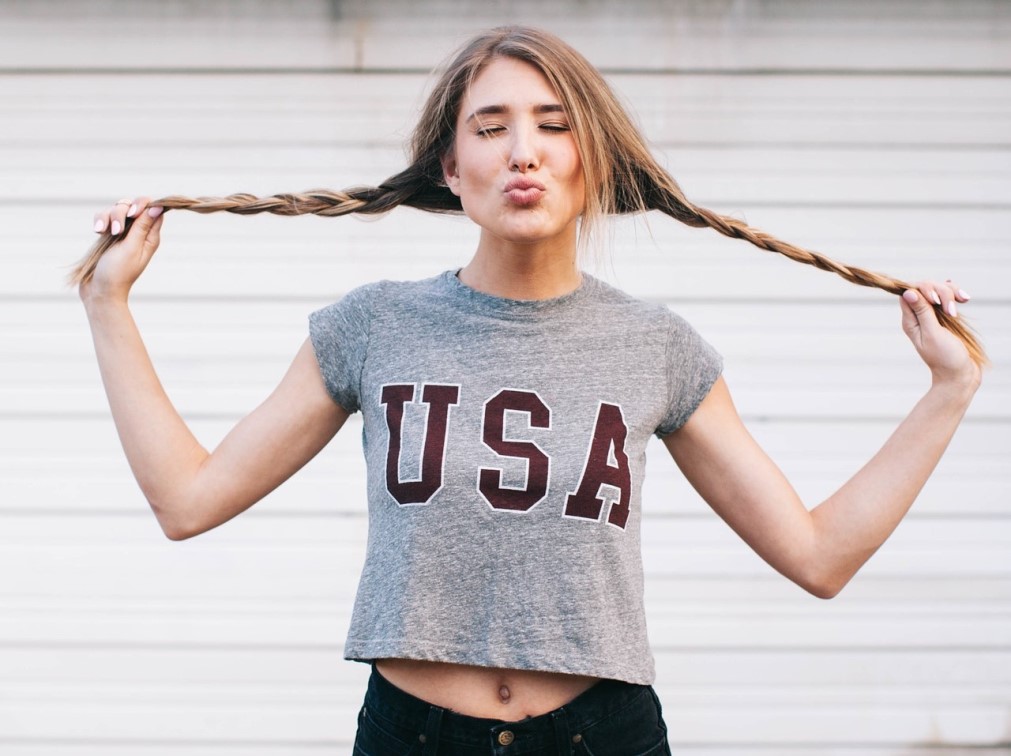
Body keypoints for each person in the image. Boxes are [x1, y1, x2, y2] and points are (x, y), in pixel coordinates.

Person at [76, 25, 982, 756]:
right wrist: (108, 303)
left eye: (554, 125)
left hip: (602, 736)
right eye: (490, 126)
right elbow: (187, 501)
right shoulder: (372, 328)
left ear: (594, 160)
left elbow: (816, 556)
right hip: (413, 737)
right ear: (448, 167)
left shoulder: (653, 347)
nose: (524, 153)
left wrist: (946, 391)